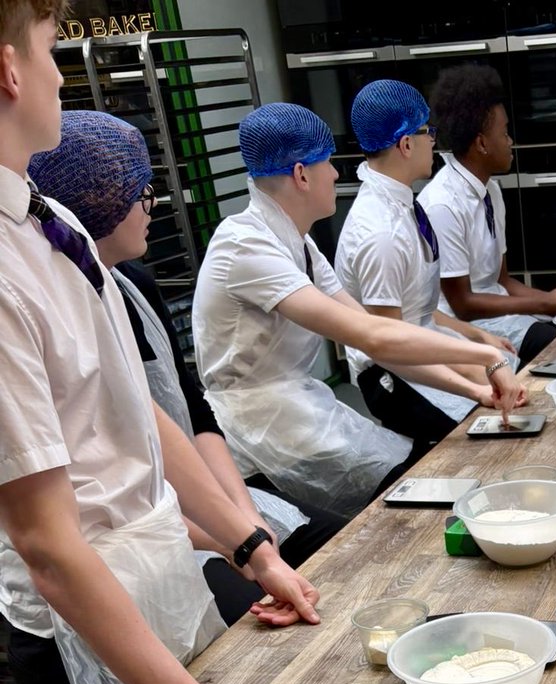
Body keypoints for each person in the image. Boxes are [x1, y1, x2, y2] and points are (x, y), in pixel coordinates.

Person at [0, 3, 319, 684]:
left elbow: (130, 406)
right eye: (49, 51)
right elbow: (46, 545)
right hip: (82, 617)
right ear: (8, 71)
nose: (58, 75)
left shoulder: (53, 222)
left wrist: (251, 546)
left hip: (153, 569)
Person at [27, 109, 346, 627]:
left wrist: (248, 527)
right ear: (101, 206)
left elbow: (190, 415)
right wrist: (240, 545)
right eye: (143, 193)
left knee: (328, 544)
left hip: (193, 502)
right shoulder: (53, 311)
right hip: (129, 533)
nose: (154, 206)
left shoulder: (132, 284)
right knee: (253, 620)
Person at [192, 102, 524, 520]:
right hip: (259, 433)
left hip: (298, 409)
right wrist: (486, 358)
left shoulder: (299, 242)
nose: (335, 174)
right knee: (404, 504)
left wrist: (475, 390)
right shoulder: (245, 246)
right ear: (301, 174)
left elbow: (374, 334)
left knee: (414, 484)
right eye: (328, 163)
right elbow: (374, 337)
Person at [335, 79, 525, 454]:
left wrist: (478, 340)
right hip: (392, 376)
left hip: (420, 348)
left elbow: (420, 314)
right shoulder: (381, 234)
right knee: (488, 433)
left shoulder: (404, 205)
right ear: (406, 144)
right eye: (427, 131)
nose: (434, 141)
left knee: (512, 387)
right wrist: (474, 385)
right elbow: (390, 347)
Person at [419, 64, 556, 366]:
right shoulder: (443, 205)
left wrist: (551, 302)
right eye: (505, 133)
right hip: (466, 328)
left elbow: (502, 280)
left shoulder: (490, 190)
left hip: (499, 313)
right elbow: (463, 304)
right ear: (481, 143)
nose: (511, 142)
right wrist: (545, 303)